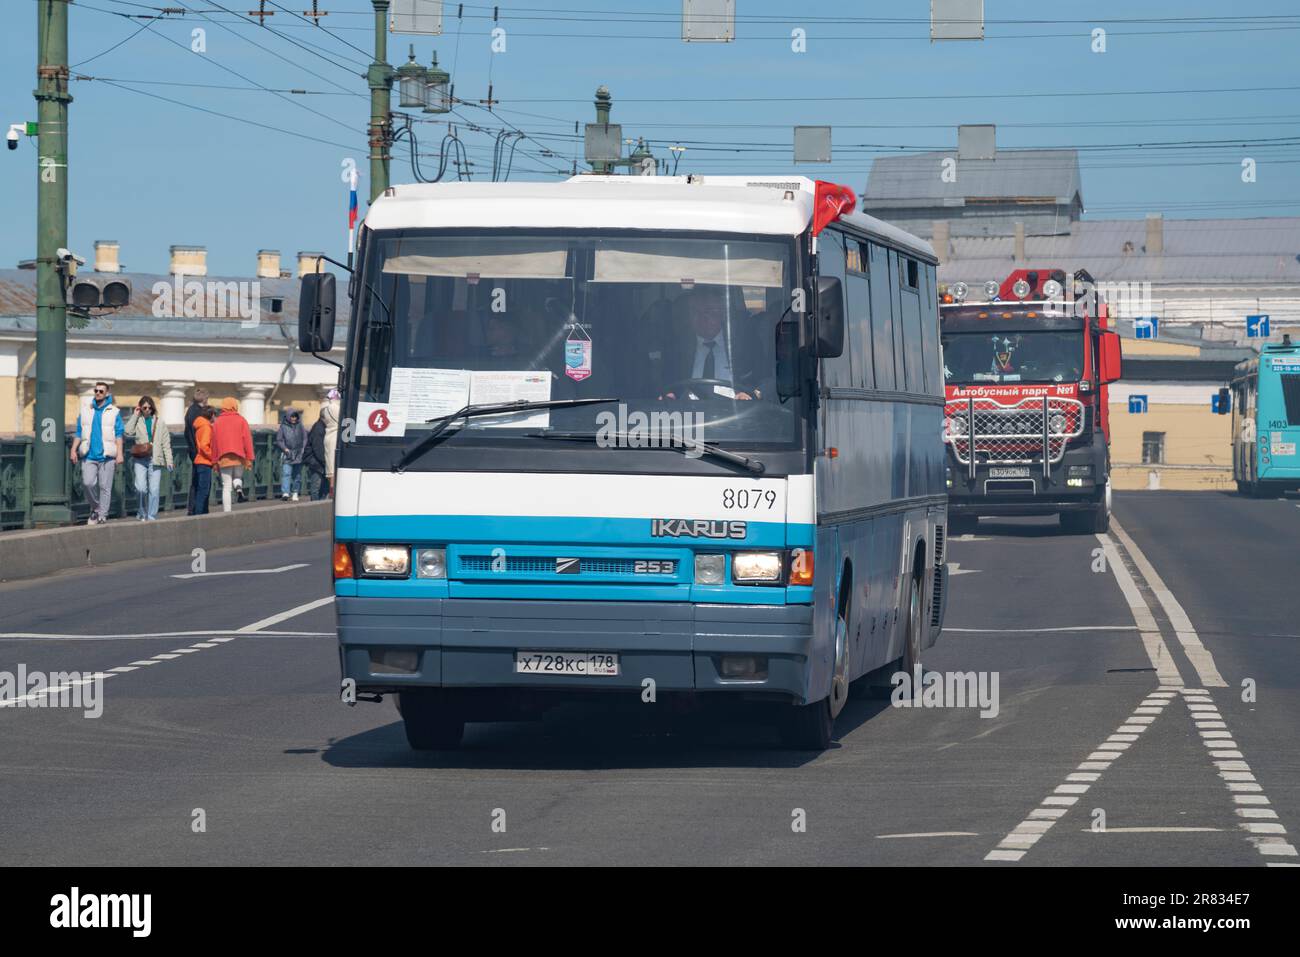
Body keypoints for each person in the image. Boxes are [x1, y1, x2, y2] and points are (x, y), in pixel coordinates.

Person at [660, 287, 761, 401]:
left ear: (722, 314)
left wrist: (750, 393)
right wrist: (669, 394)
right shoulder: (676, 348)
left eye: (709, 312)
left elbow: (765, 380)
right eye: (695, 312)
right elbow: (665, 383)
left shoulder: (744, 344)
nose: (703, 318)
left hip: (735, 411)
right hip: (689, 413)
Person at [70, 382, 124, 525]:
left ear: (107, 393)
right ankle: (97, 508)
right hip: (89, 454)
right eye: (96, 390)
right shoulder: (86, 411)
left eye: (101, 391)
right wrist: (73, 449)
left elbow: (119, 434)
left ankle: (102, 515)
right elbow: (79, 432)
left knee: (105, 487)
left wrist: (120, 453)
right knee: (87, 483)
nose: (98, 393)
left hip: (107, 456)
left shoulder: (114, 412)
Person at [121, 395, 174, 521]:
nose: (147, 410)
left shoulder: (160, 422)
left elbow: (166, 443)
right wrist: (135, 415)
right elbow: (127, 431)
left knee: (154, 490)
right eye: (144, 407)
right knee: (140, 488)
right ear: (140, 408)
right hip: (140, 459)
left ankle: (151, 515)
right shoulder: (137, 420)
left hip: (156, 459)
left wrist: (169, 461)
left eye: (149, 408)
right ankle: (141, 511)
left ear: (153, 408)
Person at [211, 397, 254, 512]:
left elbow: (214, 443)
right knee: (238, 477)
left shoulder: (217, 422)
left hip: (224, 457)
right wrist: (249, 458)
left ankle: (227, 511)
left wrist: (214, 461)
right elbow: (247, 440)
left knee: (226, 486)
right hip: (239, 456)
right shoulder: (241, 420)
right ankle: (239, 489)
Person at [183, 387, 210, 514]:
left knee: (195, 482)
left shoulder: (190, 411)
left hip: (193, 450)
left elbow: (186, 433)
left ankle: (192, 509)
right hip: (199, 453)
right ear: (205, 399)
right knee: (201, 483)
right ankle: (198, 510)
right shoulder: (199, 413)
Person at [275, 408, 307, 501]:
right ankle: (285, 492)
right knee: (286, 473)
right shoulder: (283, 427)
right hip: (287, 454)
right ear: (288, 417)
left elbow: (305, 438)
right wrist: (285, 449)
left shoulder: (300, 426)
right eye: (292, 416)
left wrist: (303, 448)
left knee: (297, 475)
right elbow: (279, 440)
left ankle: (295, 492)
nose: (294, 418)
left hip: (298, 453)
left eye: (295, 416)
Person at [191, 406, 216, 515]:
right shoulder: (206, 427)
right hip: (204, 462)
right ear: (211, 415)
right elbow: (204, 446)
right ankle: (199, 515)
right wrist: (213, 456)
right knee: (204, 491)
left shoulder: (200, 426)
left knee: (201, 490)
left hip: (200, 461)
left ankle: (203, 513)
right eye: (214, 414)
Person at [303, 408, 328, 501]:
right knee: (316, 486)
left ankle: (319, 504)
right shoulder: (319, 428)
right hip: (316, 462)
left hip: (318, 461)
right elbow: (318, 448)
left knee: (322, 487)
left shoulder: (321, 427)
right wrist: (325, 461)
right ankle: (315, 505)